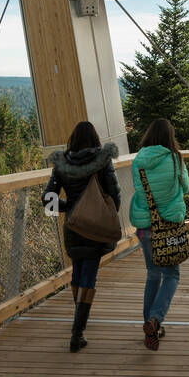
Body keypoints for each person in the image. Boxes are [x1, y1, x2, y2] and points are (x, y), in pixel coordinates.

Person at [41, 121, 121, 353]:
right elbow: (114, 195)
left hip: (73, 227)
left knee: (77, 271)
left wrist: (70, 208)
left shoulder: (62, 163)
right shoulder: (102, 160)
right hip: (94, 226)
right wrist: (103, 214)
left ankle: (79, 320)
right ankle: (77, 333)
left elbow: (48, 199)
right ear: (94, 139)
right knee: (89, 275)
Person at [129, 117, 189, 351]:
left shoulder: (139, 161)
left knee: (152, 274)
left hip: (146, 225)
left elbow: (138, 188)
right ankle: (155, 319)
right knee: (172, 275)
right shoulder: (175, 158)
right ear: (169, 136)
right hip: (170, 225)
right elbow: (185, 187)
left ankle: (149, 324)